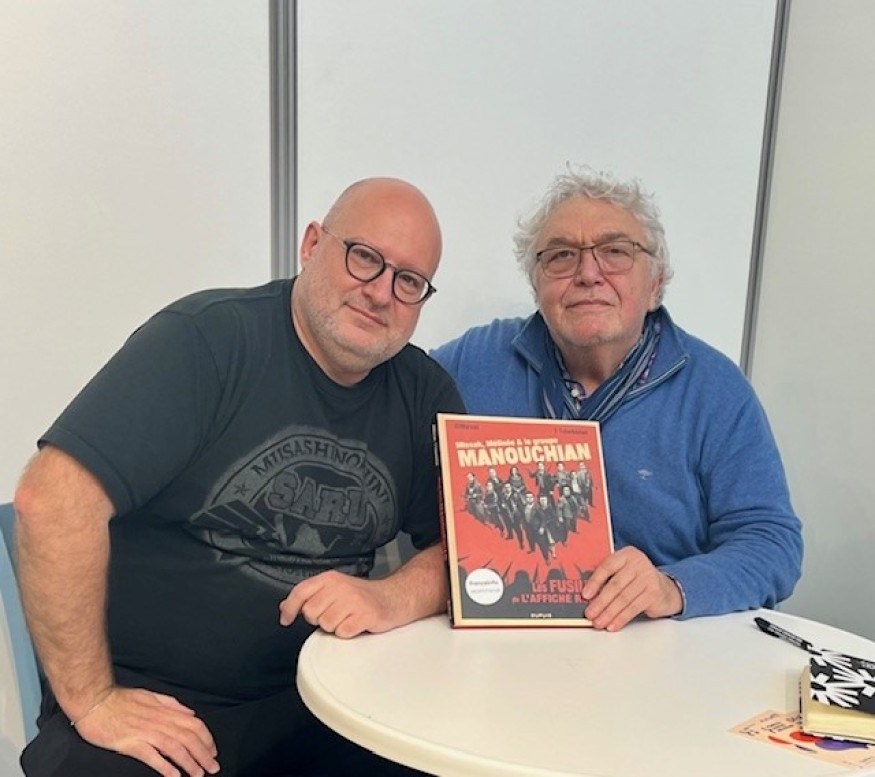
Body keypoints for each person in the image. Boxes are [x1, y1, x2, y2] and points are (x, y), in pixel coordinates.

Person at [14, 177, 465, 776]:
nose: (381, 293)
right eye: (364, 258)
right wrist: (94, 700)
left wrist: (390, 596)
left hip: (334, 701)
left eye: (408, 281)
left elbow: (470, 553)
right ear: (312, 245)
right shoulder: (206, 342)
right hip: (161, 702)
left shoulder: (424, 393)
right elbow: (50, 502)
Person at [431, 165, 803, 632]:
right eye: (562, 256)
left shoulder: (715, 390)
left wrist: (672, 586)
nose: (588, 273)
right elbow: (384, 395)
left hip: (657, 646)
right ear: (536, 284)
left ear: (656, 282)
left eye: (615, 252)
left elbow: (771, 543)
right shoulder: (473, 361)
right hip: (499, 642)